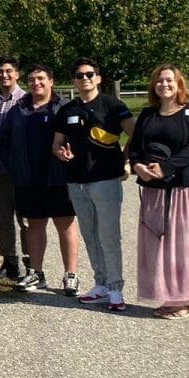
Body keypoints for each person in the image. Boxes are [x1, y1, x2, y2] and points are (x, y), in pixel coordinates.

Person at [127, 64, 189, 320]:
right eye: (158, 81)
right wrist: (138, 166)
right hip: (153, 189)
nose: (163, 85)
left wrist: (165, 167)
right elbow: (135, 146)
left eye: (169, 81)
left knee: (183, 246)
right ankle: (167, 295)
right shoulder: (147, 114)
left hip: (184, 190)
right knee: (157, 244)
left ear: (179, 84)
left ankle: (182, 299)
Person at [53, 58, 136, 312]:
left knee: (109, 236)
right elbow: (57, 144)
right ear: (74, 81)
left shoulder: (113, 106)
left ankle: (116, 288)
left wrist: (126, 159)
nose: (84, 79)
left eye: (90, 75)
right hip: (76, 182)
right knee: (90, 235)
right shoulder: (67, 110)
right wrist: (60, 153)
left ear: (99, 78)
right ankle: (100, 284)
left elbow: (137, 134)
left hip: (105, 180)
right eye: (79, 76)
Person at [0, 65, 79, 295]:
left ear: (51, 81)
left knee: (66, 224)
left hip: (58, 177)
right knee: (35, 225)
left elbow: (79, 140)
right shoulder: (18, 109)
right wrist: (14, 165)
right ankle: (36, 273)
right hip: (28, 178)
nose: (36, 83)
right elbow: (3, 141)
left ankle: (70, 275)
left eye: (41, 78)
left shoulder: (65, 107)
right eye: (32, 79)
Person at [0, 56, 29, 281]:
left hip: (21, 172)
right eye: (0, 71)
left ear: (17, 74)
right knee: (3, 221)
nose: (4, 75)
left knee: (26, 220)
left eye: (9, 71)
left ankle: (31, 264)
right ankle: (9, 262)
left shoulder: (26, 100)